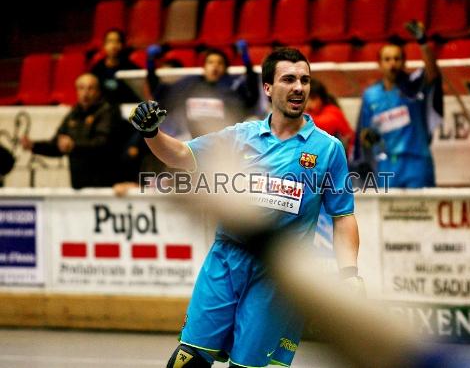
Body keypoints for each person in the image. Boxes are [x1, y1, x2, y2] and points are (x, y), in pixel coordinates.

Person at [129, 47, 362, 368]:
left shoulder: (328, 149)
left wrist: (349, 274)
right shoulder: (240, 136)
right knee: (187, 360)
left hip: (279, 275)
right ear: (267, 88)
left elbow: (343, 216)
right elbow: (182, 156)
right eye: (289, 79)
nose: (299, 87)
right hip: (226, 260)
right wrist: (151, 133)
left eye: (305, 80)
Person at [353, 21, 443, 188]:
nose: (392, 63)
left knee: (421, 212)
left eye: (397, 58)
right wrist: (369, 138)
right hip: (386, 165)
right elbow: (364, 135)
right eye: (387, 59)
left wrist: (422, 42)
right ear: (379, 64)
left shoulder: (413, 87)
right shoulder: (370, 95)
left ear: (404, 63)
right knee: (388, 214)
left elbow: (433, 75)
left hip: (416, 162)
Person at [21, 73, 122, 189]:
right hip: (79, 184)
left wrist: (74, 146)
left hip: (104, 182)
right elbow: (57, 145)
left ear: (98, 91)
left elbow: (103, 143)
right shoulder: (73, 114)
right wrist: (34, 146)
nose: (85, 93)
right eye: (82, 88)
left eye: (90, 88)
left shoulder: (108, 111)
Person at [146, 43, 259, 139]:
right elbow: (162, 95)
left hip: (226, 141)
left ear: (225, 68)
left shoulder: (234, 85)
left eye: (219, 63)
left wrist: (247, 62)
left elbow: (251, 98)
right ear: (204, 67)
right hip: (193, 140)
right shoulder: (190, 84)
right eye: (210, 62)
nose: (215, 66)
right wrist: (150, 64)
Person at [90, 28, 141, 104]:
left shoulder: (132, 68)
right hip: (103, 109)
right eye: (110, 41)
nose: (113, 45)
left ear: (123, 45)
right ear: (104, 45)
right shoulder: (97, 68)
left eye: (117, 41)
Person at [305, 78, 353, 157]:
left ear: (322, 99)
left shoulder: (332, 111)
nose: (308, 103)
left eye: (313, 99)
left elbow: (322, 125)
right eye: (305, 99)